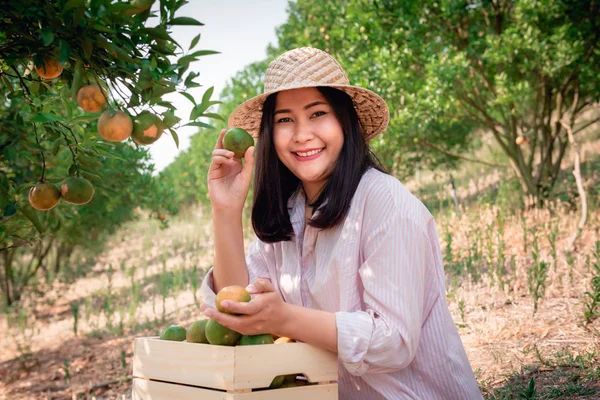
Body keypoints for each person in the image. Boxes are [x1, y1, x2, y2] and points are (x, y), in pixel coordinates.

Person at [200, 47, 483, 399]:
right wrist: (225, 211)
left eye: (317, 113)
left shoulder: (386, 203)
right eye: (285, 120)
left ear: (345, 122)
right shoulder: (291, 214)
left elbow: (394, 342)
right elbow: (236, 304)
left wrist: (283, 318)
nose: (302, 134)